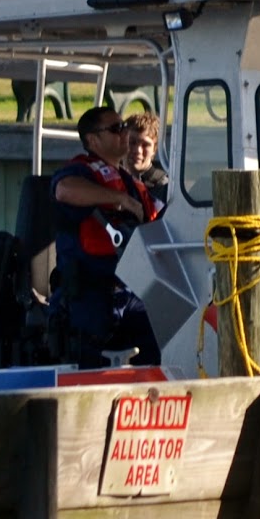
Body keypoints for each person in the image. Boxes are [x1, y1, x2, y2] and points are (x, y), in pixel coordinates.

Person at [49, 107, 161, 368]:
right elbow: (64, 190)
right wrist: (118, 199)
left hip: (128, 293)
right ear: (92, 140)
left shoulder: (129, 181)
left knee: (160, 341)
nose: (124, 133)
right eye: (115, 129)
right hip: (88, 295)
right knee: (90, 366)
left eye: (123, 126)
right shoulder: (80, 171)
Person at [124, 110, 169, 208]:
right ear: (122, 143)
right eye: (132, 142)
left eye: (145, 145)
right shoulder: (111, 180)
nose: (138, 150)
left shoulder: (164, 189)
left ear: (155, 149)